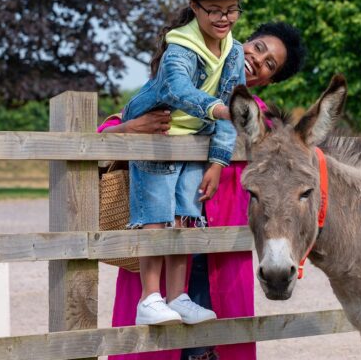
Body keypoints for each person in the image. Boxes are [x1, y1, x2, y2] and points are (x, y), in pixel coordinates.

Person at [100, 21, 306, 360]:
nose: (258, 59)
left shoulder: (258, 122)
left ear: (267, 82)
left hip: (219, 256)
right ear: (243, 43)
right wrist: (129, 129)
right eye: (258, 47)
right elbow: (98, 138)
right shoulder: (174, 92)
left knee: (212, 348)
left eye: (270, 64)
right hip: (160, 244)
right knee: (154, 345)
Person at [120, 0, 248, 328]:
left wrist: (218, 161)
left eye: (232, 9)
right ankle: (149, 297)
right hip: (160, 138)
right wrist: (218, 108)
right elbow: (177, 90)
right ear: (194, 7)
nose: (225, 18)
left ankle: (178, 296)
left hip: (194, 143)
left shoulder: (234, 52)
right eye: (215, 10)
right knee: (156, 217)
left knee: (183, 218)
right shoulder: (180, 47)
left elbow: (233, 105)